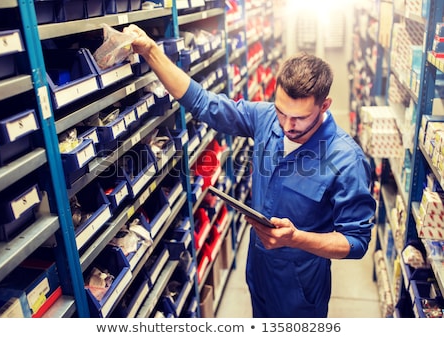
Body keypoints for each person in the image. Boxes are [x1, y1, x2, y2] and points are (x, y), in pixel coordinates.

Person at [124, 24, 376, 318]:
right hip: (258, 267)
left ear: (325, 106)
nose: (286, 126)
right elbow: (204, 103)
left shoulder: (347, 160)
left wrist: (296, 239)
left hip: (300, 285)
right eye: (281, 111)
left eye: (299, 118)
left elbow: (357, 241)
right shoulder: (266, 118)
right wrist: (151, 51)